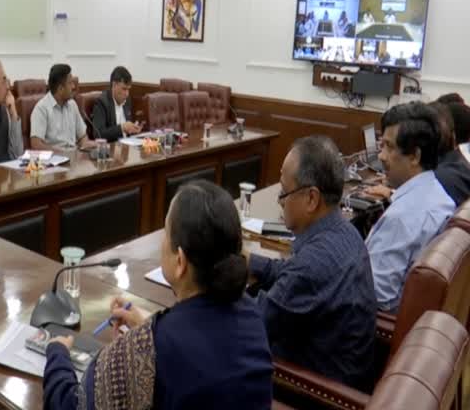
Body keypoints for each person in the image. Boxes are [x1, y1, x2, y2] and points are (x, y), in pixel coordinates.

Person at [43, 180, 273, 409]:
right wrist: (149, 325)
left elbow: (69, 405)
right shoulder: (251, 314)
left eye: (166, 233)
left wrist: (57, 352)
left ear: (180, 261)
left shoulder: (145, 349)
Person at [247, 136, 376, 388]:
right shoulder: (344, 231)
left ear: (311, 199)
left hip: (311, 391)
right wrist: (248, 261)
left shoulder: (312, 265)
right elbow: (291, 273)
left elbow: (250, 325)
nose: (280, 200)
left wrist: (207, 286)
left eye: (284, 191)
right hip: (340, 372)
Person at [365, 102, 455, 312]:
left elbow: (376, 296)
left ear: (414, 156)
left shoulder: (402, 218)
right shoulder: (439, 196)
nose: (381, 156)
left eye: (389, 147)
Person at [30, 64, 96, 151]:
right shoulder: (41, 109)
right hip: (54, 160)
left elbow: (82, 137)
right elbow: (36, 144)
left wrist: (88, 145)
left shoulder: (72, 105)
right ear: (60, 88)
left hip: (75, 158)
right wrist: (62, 153)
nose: (74, 87)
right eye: (70, 83)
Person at [90, 66, 142, 142]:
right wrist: (121, 128)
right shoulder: (102, 102)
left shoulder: (127, 100)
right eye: (124, 89)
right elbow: (98, 134)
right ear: (114, 85)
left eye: (128, 89)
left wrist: (133, 129)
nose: (127, 94)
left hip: (127, 147)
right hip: (111, 149)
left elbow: (127, 130)